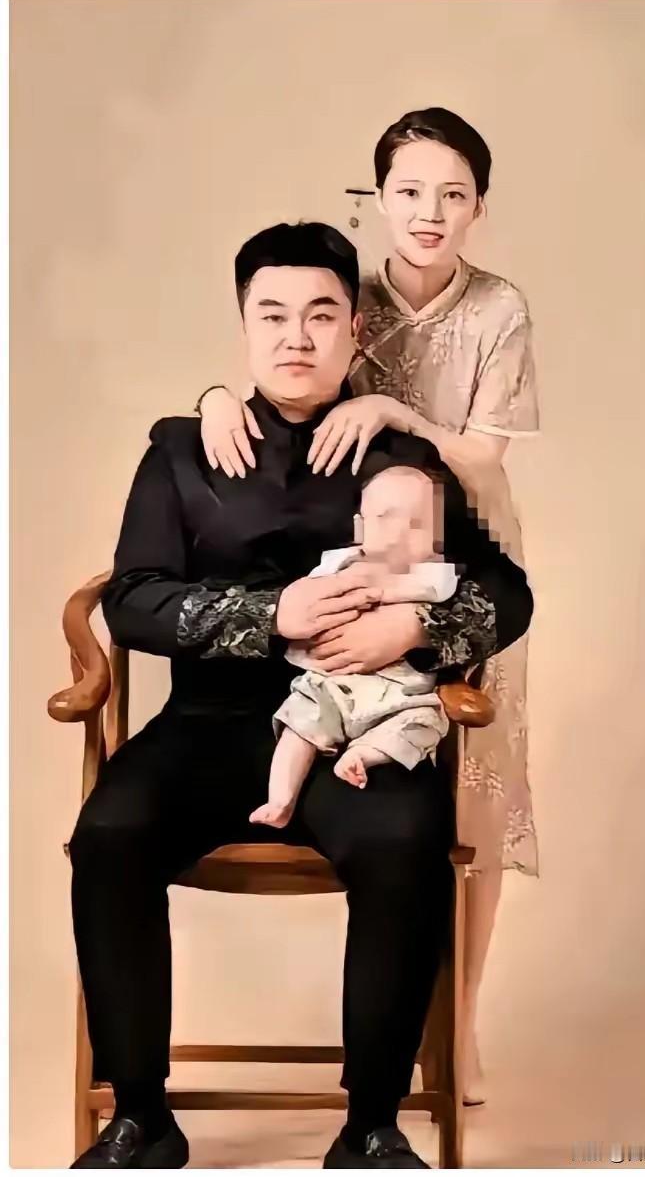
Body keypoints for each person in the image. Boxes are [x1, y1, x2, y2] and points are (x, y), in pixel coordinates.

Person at [67, 220, 533, 1169]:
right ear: (243, 326)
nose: (296, 336)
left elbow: (507, 594)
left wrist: (415, 629)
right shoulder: (183, 451)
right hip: (209, 723)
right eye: (272, 315)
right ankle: (141, 1118)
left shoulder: (399, 458)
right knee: (109, 833)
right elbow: (134, 599)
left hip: (362, 724)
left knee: (404, 839)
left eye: (321, 315)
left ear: (355, 329)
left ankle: (371, 1126)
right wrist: (271, 612)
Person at [198, 107, 540, 1106]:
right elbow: (281, 365)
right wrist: (214, 399)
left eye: (453, 194)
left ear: (479, 206)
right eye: (409, 191)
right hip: (358, 548)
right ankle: (390, 1032)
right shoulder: (350, 292)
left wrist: (392, 409)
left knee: (475, 792)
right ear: (377, 198)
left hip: (466, 550)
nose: (430, 212)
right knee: (353, 732)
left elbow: (482, 459)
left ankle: (458, 1024)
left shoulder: (499, 308)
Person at [249, 464, 459, 827]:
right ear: (360, 528)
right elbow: (306, 601)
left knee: (425, 723)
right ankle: (281, 799)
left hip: (402, 693)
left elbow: (439, 590)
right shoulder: (336, 563)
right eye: (386, 519)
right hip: (331, 685)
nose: (400, 533)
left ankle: (364, 754)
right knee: (298, 723)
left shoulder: (433, 572)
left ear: (436, 536)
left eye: (417, 524)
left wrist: (381, 588)